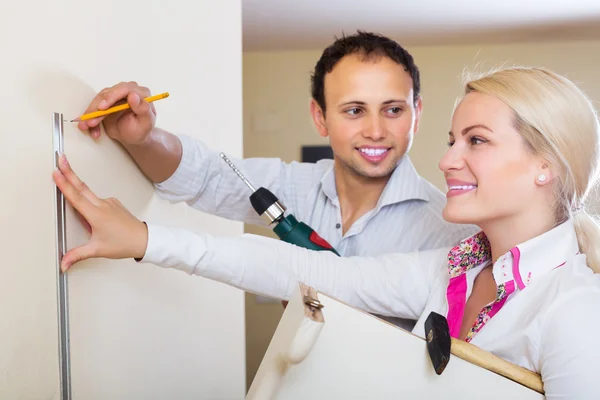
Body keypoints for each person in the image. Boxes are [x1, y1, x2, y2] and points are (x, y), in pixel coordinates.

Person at [54, 66, 600, 398]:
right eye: (453, 139)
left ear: (544, 164)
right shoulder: (453, 267)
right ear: (321, 117)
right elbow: (308, 271)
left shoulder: (575, 309)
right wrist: (148, 239)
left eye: (475, 141)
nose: (447, 159)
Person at [73, 31, 477, 329]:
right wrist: (144, 138)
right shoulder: (291, 185)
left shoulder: (451, 233)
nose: (375, 130)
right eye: (354, 110)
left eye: (392, 110)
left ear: (417, 114)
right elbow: (206, 175)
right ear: (319, 116)